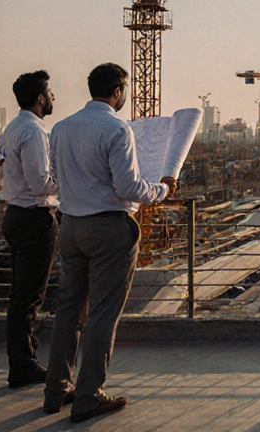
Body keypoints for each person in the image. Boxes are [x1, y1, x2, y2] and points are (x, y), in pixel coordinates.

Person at [43, 63, 176, 423]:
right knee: (102, 313)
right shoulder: (117, 129)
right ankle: (88, 396)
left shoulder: (62, 127)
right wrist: (161, 190)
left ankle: (56, 389)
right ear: (118, 92)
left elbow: (53, 178)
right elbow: (129, 188)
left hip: (70, 226)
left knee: (68, 310)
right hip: (108, 228)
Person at [0, 70, 60, 389]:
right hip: (34, 218)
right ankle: (23, 365)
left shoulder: (12, 127)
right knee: (29, 297)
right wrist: (67, 183)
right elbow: (39, 183)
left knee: (21, 295)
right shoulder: (34, 131)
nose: (53, 98)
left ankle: (21, 361)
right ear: (39, 98)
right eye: (49, 92)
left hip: (15, 216)